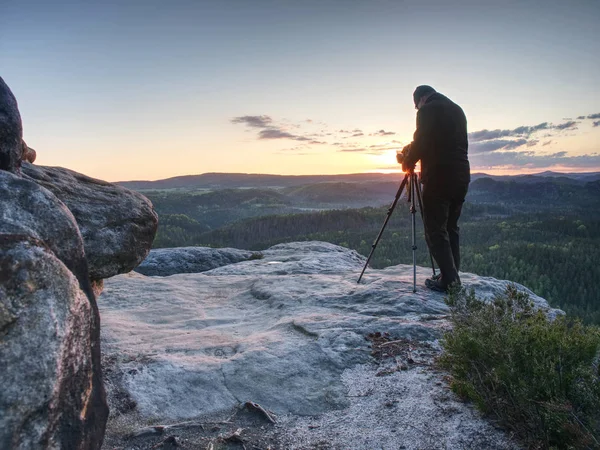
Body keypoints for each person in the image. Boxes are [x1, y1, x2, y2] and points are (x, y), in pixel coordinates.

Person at [400, 85, 470, 292]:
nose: (417, 109)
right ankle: (451, 275)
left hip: (439, 176)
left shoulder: (427, 110)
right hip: (461, 176)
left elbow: (421, 142)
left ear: (421, 99)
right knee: (451, 228)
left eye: (416, 106)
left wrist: (408, 160)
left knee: (434, 230)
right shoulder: (457, 109)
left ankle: (449, 281)